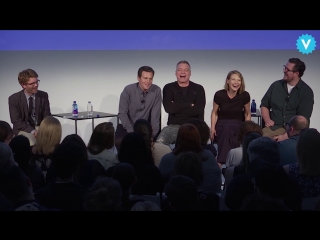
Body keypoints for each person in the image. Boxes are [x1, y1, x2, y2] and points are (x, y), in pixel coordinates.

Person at [260, 58, 314, 141]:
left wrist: (284, 137)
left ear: (296, 73)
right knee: (260, 141)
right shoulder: (276, 85)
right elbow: (264, 104)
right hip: (274, 128)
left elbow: (303, 120)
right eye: (284, 67)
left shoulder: (306, 92)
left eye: (287, 69)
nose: (284, 71)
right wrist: (267, 120)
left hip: (294, 132)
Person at [156, 60, 206, 146]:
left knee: (199, 146)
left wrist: (176, 107)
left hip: (194, 127)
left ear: (190, 73)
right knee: (159, 144)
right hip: (174, 126)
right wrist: (189, 105)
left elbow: (198, 110)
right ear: (175, 73)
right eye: (180, 69)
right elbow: (169, 108)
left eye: (186, 70)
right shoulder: (168, 88)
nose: (183, 72)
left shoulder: (199, 88)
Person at [115, 66, 161, 151]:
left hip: (145, 130)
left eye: (150, 79)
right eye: (145, 78)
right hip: (128, 127)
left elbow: (155, 116)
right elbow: (122, 113)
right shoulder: (128, 90)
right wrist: (132, 133)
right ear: (138, 78)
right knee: (122, 145)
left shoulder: (156, 90)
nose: (148, 81)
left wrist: (152, 136)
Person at [210, 70, 251, 168]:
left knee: (231, 132)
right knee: (228, 130)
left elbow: (247, 113)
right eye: (233, 79)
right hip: (221, 125)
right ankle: (233, 164)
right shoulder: (219, 95)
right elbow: (214, 113)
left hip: (237, 124)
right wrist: (212, 128)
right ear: (227, 81)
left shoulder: (244, 95)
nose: (236, 82)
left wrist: (247, 130)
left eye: (239, 80)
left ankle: (220, 161)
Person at [8, 68, 51, 146]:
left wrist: (43, 130)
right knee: (31, 141)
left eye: (37, 82)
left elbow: (47, 116)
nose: (36, 85)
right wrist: (33, 131)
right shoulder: (14, 99)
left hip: (40, 127)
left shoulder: (43, 95)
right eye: (32, 83)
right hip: (24, 128)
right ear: (23, 85)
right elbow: (16, 121)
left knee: (52, 138)